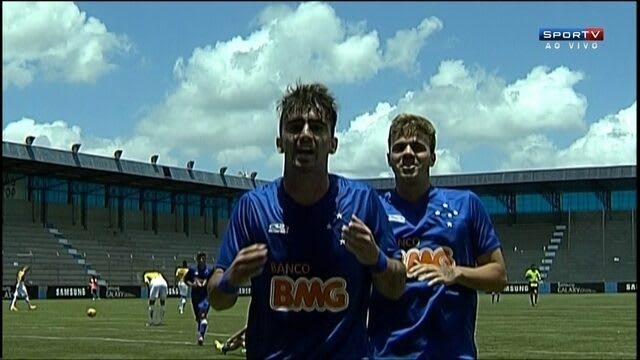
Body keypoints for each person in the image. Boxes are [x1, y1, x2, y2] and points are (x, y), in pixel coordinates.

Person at [207, 82, 406, 359]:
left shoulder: (363, 203)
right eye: (294, 126)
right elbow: (216, 298)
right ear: (280, 142)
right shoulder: (253, 208)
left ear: (333, 143)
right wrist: (231, 278)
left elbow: (397, 287)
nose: (305, 134)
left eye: (317, 127)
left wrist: (376, 259)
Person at [367, 113, 508, 359]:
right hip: (388, 353)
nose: (408, 153)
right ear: (389, 158)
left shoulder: (466, 206)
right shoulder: (373, 210)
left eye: (418, 147)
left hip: (453, 353)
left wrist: (457, 273)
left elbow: (498, 275)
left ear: (432, 157)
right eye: (399, 148)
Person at [185, 252, 213, 345]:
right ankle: (200, 335)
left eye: (203, 258)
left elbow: (213, 281)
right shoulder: (192, 270)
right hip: (195, 297)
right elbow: (186, 280)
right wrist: (192, 284)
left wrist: (207, 284)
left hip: (205, 297)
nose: (201, 260)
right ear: (197, 259)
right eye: (200, 258)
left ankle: (201, 336)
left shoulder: (209, 270)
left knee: (203, 315)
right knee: (198, 318)